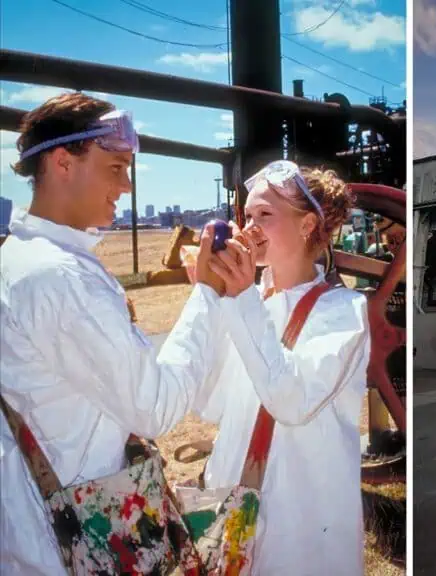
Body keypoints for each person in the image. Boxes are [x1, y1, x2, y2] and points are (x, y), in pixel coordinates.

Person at [0, 93, 227, 573]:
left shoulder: (17, 260)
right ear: (63, 162)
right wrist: (206, 293)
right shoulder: (62, 278)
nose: (125, 186)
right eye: (115, 167)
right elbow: (157, 408)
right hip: (79, 536)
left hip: (32, 524)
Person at [190, 160, 370, 575]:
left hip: (300, 522)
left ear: (308, 225)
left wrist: (239, 299)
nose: (249, 229)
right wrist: (209, 301)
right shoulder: (250, 301)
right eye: (247, 216)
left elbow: (291, 401)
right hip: (231, 505)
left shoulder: (343, 312)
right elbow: (210, 404)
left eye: (265, 216)